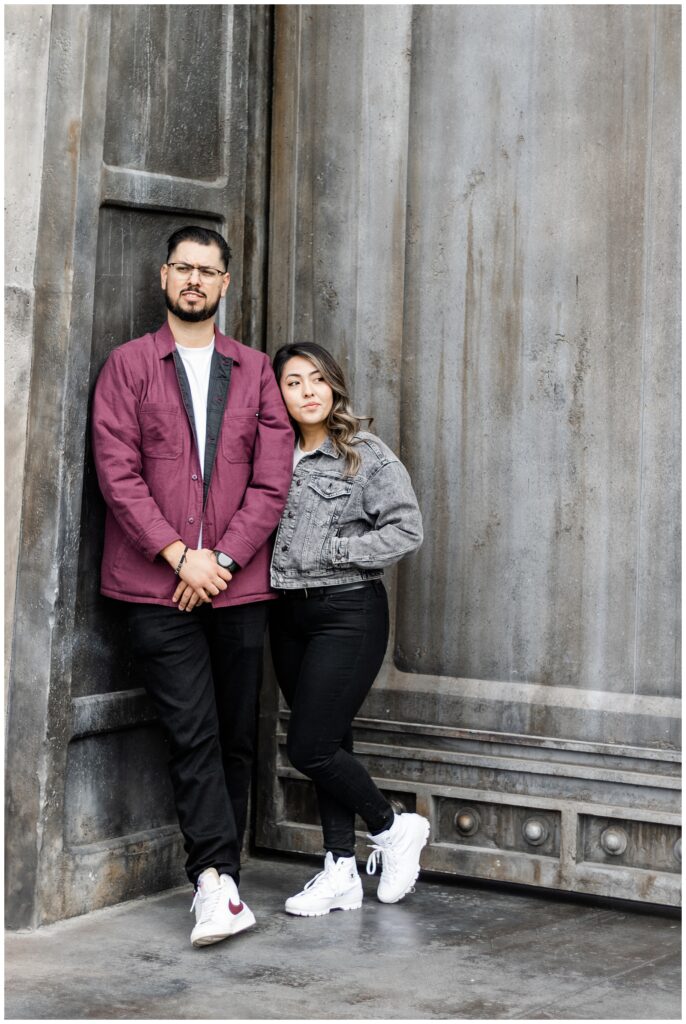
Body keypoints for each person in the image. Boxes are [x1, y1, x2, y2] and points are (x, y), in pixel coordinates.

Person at [92, 225, 293, 947]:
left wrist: (223, 563)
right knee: (193, 731)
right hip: (155, 586)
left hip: (236, 586)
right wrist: (182, 557)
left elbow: (272, 483)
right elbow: (117, 474)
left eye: (208, 271)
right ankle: (212, 881)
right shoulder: (128, 365)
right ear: (163, 277)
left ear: (226, 283)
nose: (195, 281)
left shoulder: (256, 371)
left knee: (236, 735)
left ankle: (227, 877)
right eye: (184, 268)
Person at [268, 342, 429, 917]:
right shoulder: (269, 453)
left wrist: (336, 550)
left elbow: (406, 529)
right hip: (285, 613)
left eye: (317, 379)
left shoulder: (364, 454)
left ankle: (393, 828)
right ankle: (338, 869)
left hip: (348, 611)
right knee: (330, 742)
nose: (307, 391)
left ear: (334, 386)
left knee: (309, 745)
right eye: (293, 381)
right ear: (278, 392)